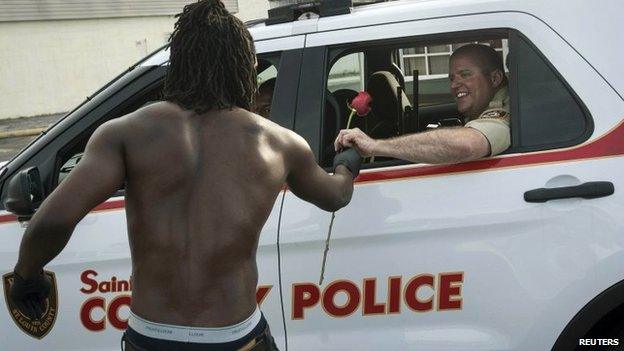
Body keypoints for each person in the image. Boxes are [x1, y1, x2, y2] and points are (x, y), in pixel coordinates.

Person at [9, 1, 361, 350]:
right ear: (247, 67)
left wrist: (27, 276)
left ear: (177, 65)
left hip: (151, 336)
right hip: (235, 337)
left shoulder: (124, 134)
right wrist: (348, 159)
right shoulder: (279, 142)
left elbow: (53, 220)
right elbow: (335, 196)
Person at [334, 43, 510, 163]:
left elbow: (467, 144)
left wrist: (375, 146)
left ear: (495, 78)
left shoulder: (503, 110)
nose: (454, 85)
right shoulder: (485, 105)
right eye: (451, 78)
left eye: (465, 74)